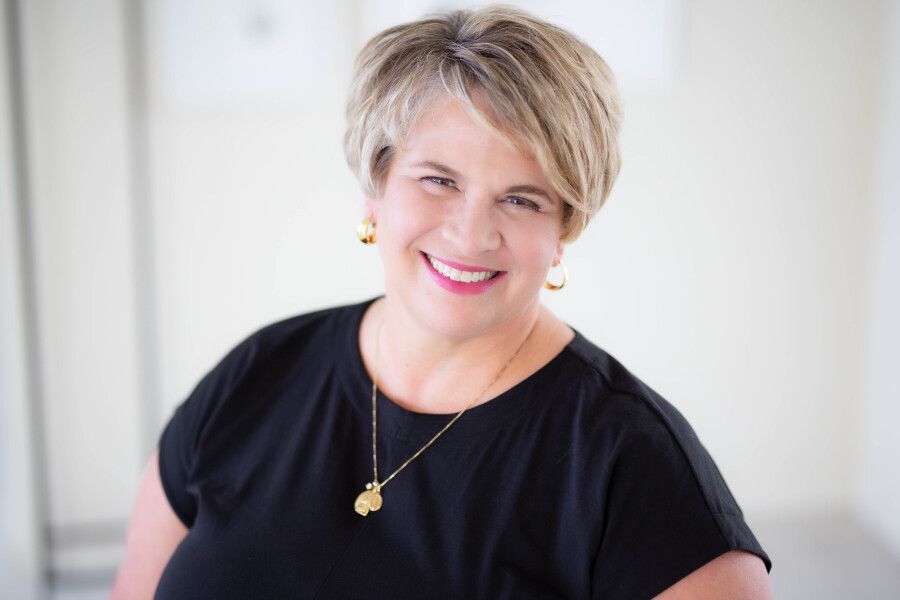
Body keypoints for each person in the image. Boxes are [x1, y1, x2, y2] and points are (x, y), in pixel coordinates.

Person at [112, 6, 773, 599]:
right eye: (438, 180)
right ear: (376, 186)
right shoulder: (256, 374)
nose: (470, 234)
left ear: (563, 230)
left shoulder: (636, 465)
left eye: (521, 199)